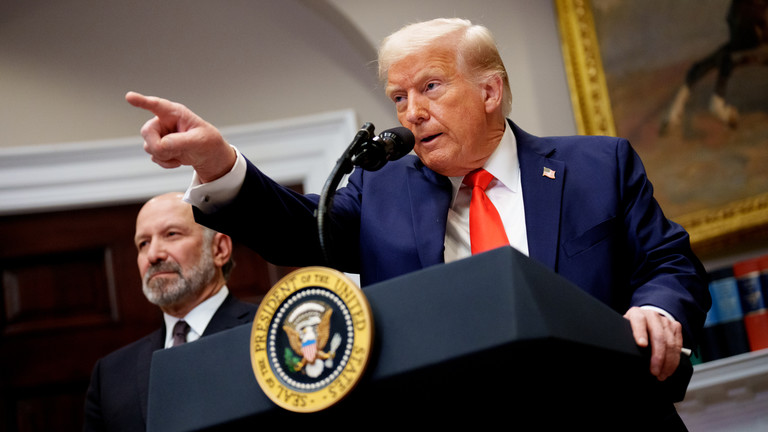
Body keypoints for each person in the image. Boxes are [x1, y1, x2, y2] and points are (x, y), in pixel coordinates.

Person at [125, 18, 710, 426]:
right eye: (399, 98)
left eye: (430, 87)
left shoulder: (595, 165)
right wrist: (217, 163)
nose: (412, 113)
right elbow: (303, 231)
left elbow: (669, 262)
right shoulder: (380, 190)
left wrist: (657, 309)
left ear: (490, 90)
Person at [83, 192, 257, 432]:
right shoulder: (111, 375)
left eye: (171, 234)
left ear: (219, 249)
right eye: (143, 243)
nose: (153, 255)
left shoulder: (268, 334)